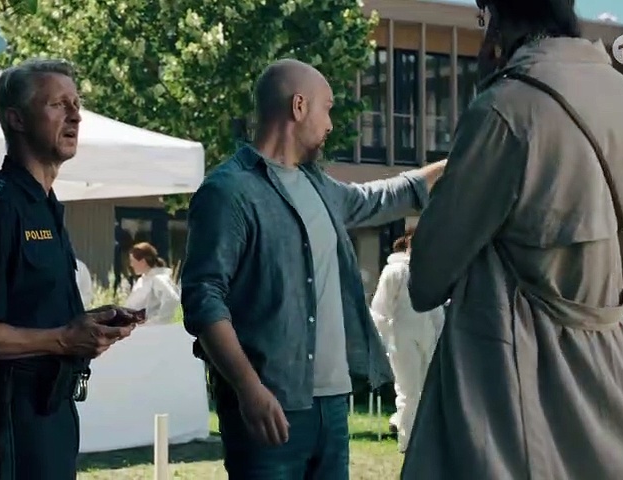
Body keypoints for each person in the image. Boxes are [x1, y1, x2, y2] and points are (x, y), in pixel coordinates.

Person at [401, 1, 623, 478]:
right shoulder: (621, 92)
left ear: (500, 17)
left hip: (515, 372)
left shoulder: (504, 107)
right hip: (611, 367)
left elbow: (427, 276)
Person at [181, 58, 446, 479]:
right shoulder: (227, 192)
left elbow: (384, 196)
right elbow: (202, 299)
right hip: (269, 407)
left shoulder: (319, 186)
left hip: (333, 406)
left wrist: (456, 162)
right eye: (328, 108)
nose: (331, 124)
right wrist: (249, 388)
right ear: (299, 106)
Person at [0, 58, 141, 480]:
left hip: (52, 406)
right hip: (10, 413)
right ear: (16, 119)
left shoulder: (45, 205)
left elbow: (34, 310)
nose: (75, 116)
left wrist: (89, 324)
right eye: (57, 104)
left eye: (76, 104)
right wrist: (64, 339)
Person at [369, 227, 444, 453]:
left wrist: (440, 335)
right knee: (408, 391)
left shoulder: (430, 271)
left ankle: (423, 439)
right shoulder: (394, 271)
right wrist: (383, 340)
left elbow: (436, 309)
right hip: (401, 336)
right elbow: (380, 309)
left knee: (428, 390)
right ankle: (408, 443)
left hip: (426, 334)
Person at [124, 242, 180, 325]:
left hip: (151, 330)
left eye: (133, 261)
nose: (131, 265)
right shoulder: (142, 280)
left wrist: (156, 322)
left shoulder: (158, 279)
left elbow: (171, 299)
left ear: (143, 261)